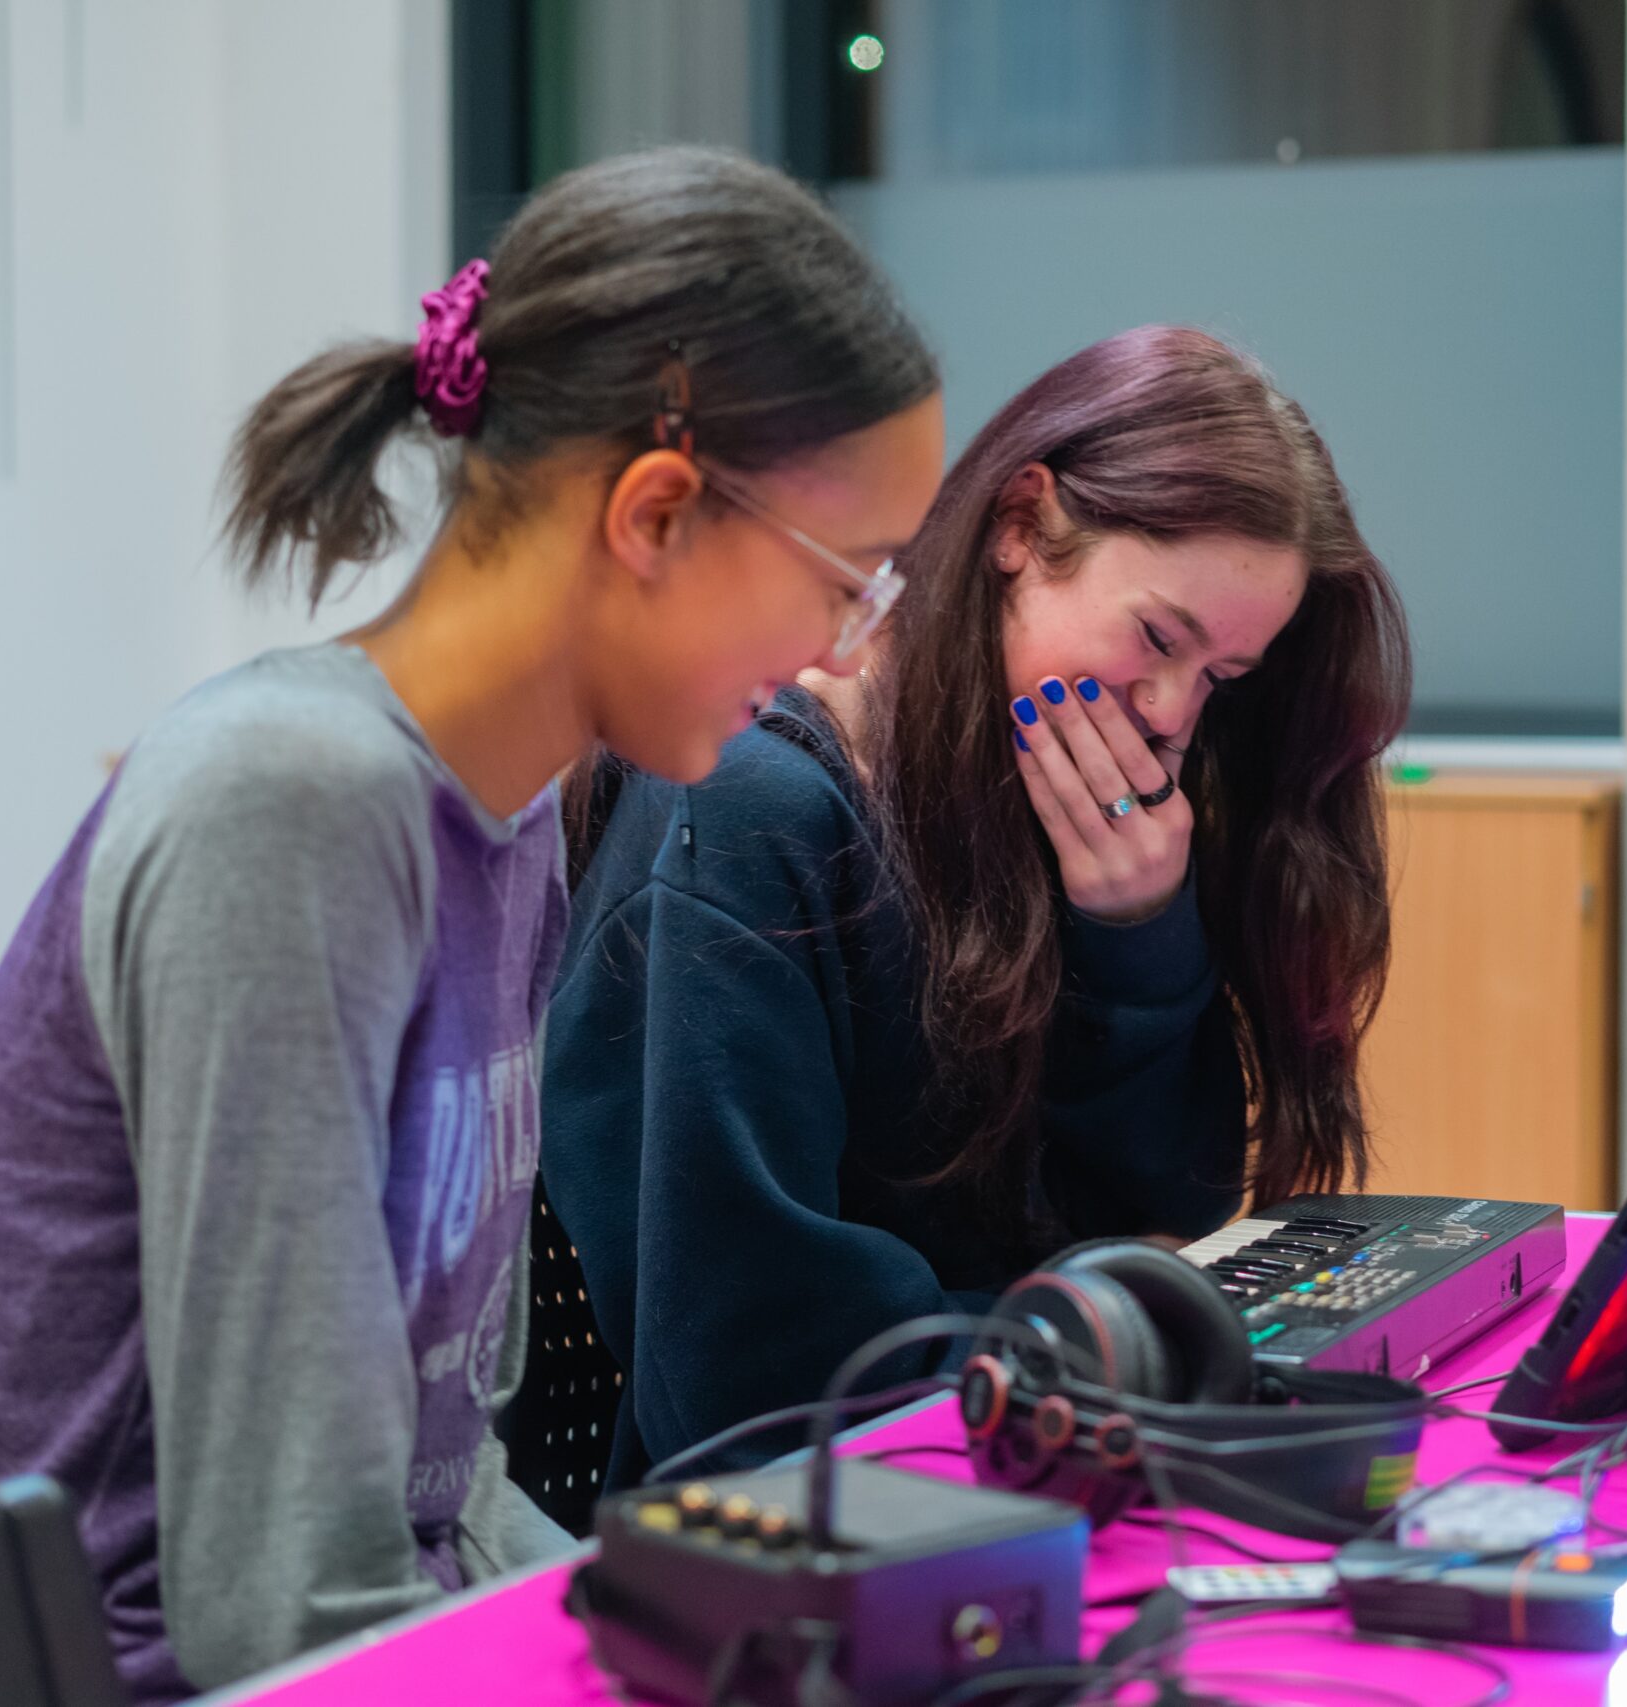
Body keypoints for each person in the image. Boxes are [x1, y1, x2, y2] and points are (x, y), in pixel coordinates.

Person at [0, 148, 943, 1703]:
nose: (846, 653)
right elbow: (285, 1603)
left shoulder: (513, 828)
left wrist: (683, 1643)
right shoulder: (288, 806)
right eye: (849, 582)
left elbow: (445, 1484)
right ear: (653, 514)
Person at [542, 325, 1412, 1489]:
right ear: (1019, 528)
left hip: (1026, 1458)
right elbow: (749, 1371)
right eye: (1157, 639)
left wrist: (1139, 939)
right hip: (799, 1538)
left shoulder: (1068, 809)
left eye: (1219, 678)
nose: (1169, 716)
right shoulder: (752, 804)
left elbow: (1168, 1243)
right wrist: (1086, 1330)